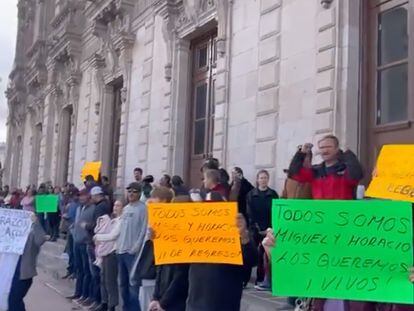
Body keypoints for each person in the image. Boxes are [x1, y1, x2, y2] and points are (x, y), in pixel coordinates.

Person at [289, 135, 364, 311]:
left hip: (343, 228)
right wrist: (301, 154)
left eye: (328, 147)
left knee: (342, 268)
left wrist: (347, 155)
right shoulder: (315, 171)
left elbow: (357, 174)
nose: (324, 150)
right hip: (320, 229)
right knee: (320, 269)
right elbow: (295, 173)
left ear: (337, 148)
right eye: (321, 147)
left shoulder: (345, 170)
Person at [185, 170, 258, 311]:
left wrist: (244, 236)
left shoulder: (236, 231)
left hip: (225, 303)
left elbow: (252, 260)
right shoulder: (195, 233)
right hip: (195, 303)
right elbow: (176, 261)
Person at [149, 190, 190, 311]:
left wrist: (163, 303)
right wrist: (156, 297)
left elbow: (180, 276)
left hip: (177, 301)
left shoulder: (188, 241)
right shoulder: (166, 234)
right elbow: (160, 268)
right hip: (162, 297)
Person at [134, 187, 174, 311]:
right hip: (149, 272)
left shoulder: (170, 221)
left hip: (154, 274)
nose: (150, 202)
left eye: (154, 199)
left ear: (163, 200)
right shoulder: (153, 217)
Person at [246, 169, 279, 291]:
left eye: (265, 178)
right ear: (257, 179)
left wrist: (270, 228)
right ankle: (257, 279)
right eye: (261, 178)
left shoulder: (273, 194)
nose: (263, 180)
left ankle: (267, 279)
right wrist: (257, 228)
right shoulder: (250, 194)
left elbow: (276, 212)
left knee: (268, 255)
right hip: (256, 229)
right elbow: (249, 213)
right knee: (257, 255)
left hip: (270, 229)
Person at [118, 182, 148, 311]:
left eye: (134, 191)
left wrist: (136, 247)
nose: (131, 194)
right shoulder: (125, 208)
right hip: (121, 251)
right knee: (122, 284)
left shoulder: (143, 209)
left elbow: (144, 230)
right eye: (129, 191)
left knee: (133, 285)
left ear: (139, 193)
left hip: (132, 253)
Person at [8, 213, 46, 311]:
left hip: (22, 273)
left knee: (14, 300)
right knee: (8, 300)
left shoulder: (31, 234)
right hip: (9, 272)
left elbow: (40, 239)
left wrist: (36, 223)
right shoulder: (8, 236)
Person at [93, 200, 125, 311]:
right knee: (103, 279)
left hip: (113, 252)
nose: (115, 207)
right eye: (115, 205)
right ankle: (104, 302)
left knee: (110, 280)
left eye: (118, 205)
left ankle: (112, 305)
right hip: (105, 251)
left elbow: (113, 235)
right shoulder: (113, 220)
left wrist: (98, 237)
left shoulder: (122, 221)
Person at [70, 188, 95, 307]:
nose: (80, 198)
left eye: (83, 196)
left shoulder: (93, 209)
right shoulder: (79, 208)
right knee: (79, 269)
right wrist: (73, 230)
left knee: (87, 271)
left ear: (88, 196)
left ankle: (86, 295)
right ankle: (78, 293)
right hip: (76, 241)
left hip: (85, 242)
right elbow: (76, 222)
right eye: (79, 196)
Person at [62, 187, 80, 280]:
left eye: (75, 195)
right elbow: (66, 213)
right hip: (70, 229)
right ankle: (70, 270)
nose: (74, 197)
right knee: (70, 252)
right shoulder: (71, 204)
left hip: (76, 231)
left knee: (74, 252)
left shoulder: (79, 205)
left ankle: (75, 271)